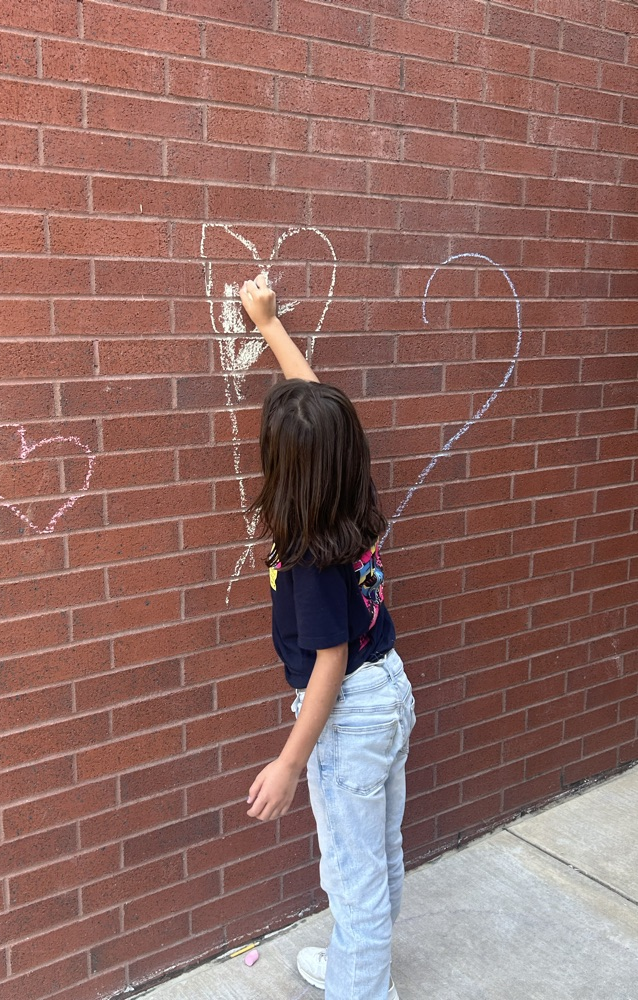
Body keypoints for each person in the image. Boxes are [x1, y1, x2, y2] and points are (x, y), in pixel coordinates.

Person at [238, 272, 416, 1000]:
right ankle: (358, 969)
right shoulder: (351, 493)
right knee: (376, 855)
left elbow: (329, 664)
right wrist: (270, 326)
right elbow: (317, 408)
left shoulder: (307, 556)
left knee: (352, 873)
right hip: (392, 693)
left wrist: (288, 761)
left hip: (347, 717)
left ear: (286, 472)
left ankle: (362, 988)